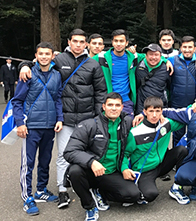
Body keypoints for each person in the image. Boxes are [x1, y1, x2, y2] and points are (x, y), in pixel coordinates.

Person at [19, 29, 107, 208]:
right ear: (69, 42)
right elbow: (38, 61)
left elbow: (100, 92)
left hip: (87, 118)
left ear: (86, 44)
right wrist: (24, 66)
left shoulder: (93, 64)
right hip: (64, 118)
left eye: (82, 42)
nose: (78, 44)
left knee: (88, 154)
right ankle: (62, 190)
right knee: (63, 155)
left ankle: (86, 185)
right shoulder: (58, 60)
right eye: (75, 41)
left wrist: (99, 117)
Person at [63, 93, 138, 221]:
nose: (113, 108)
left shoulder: (127, 123)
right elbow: (70, 151)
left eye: (117, 105)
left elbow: (126, 151)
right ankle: (89, 206)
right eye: (110, 105)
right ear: (103, 106)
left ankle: (99, 191)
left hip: (111, 172)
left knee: (133, 195)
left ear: (122, 107)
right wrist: (91, 162)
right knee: (75, 171)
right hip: (91, 171)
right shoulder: (89, 125)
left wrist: (124, 167)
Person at [12, 42, 63, 215]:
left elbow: (57, 99)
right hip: (31, 126)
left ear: (52, 56)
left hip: (49, 126)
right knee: (28, 164)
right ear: (36, 55)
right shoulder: (28, 74)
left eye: (47, 54)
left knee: (45, 161)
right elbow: (17, 101)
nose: (44, 57)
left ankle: (41, 191)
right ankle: (27, 198)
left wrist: (60, 119)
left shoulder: (57, 75)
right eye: (40, 54)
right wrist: (20, 123)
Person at [123, 96, 189, 205]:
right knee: (150, 195)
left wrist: (195, 106)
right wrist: (125, 168)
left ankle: (177, 187)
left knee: (182, 150)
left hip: (161, 164)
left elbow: (185, 116)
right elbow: (125, 155)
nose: (154, 115)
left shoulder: (166, 123)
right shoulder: (135, 132)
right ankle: (139, 187)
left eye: (157, 111)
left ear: (161, 112)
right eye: (151, 111)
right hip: (145, 170)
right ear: (145, 112)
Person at [93, 30, 136, 115]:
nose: (118, 44)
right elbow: (83, 61)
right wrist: (59, 55)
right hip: (108, 101)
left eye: (121, 41)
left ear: (127, 43)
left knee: (128, 126)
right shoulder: (102, 57)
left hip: (126, 101)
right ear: (112, 42)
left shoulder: (133, 57)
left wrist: (165, 60)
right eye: (116, 41)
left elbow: (153, 57)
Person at [168, 36, 196, 147]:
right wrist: (163, 61)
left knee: (194, 133)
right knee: (177, 135)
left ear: (194, 49)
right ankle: (178, 160)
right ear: (180, 48)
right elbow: (158, 60)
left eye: (190, 47)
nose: (187, 50)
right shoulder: (173, 60)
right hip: (177, 104)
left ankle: (192, 158)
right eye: (184, 47)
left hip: (194, 104)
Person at [135, 43, 171, 114]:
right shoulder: (138, 65)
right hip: (141, 106)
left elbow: (170, 87)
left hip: (160, 106)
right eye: (151, 54)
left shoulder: (166, 68)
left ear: (160, 56)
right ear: (146, 55)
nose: (153, 57)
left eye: (156, 55)